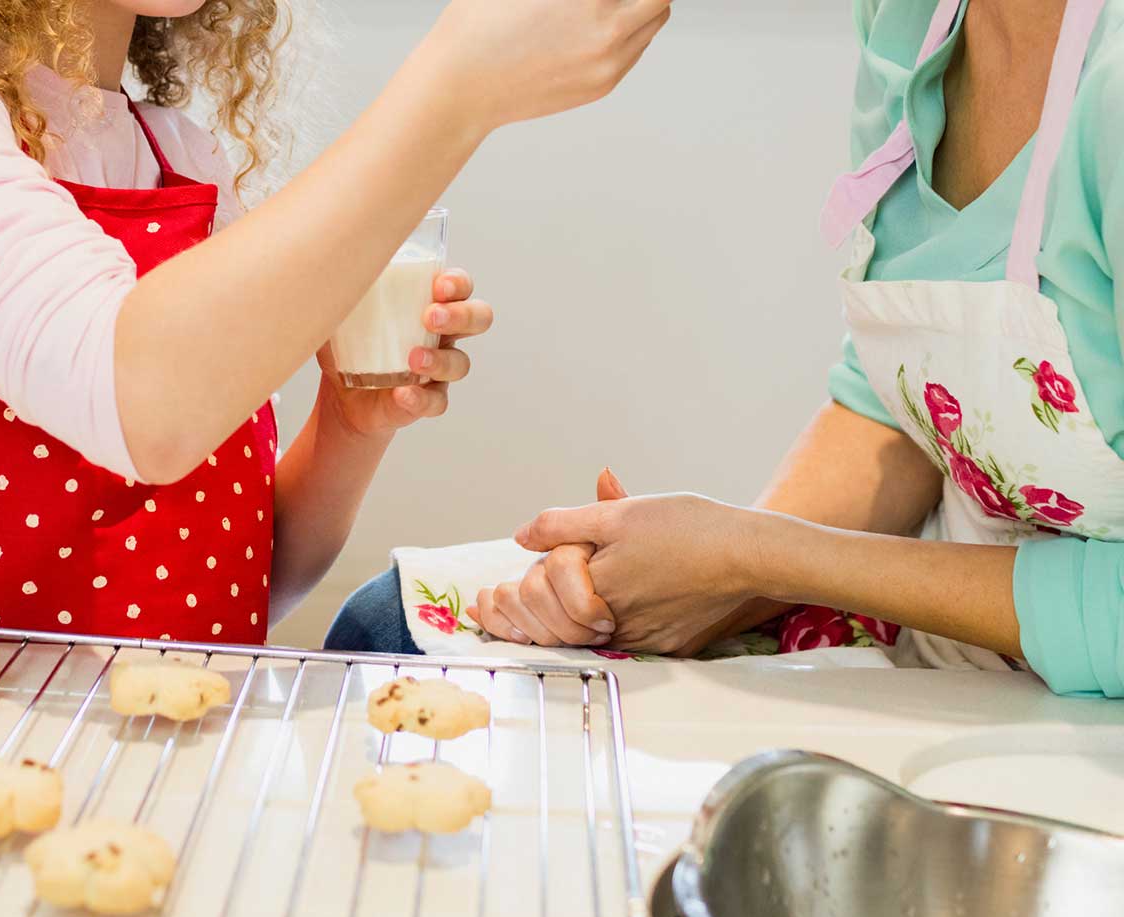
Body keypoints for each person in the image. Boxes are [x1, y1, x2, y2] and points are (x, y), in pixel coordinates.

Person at [0, 0, 671, 642]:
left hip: (176, 765)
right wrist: (451, 91)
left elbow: (246, 573)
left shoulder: (183, 160)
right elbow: (140, 403)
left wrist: (345, 427)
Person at [338, 0, 1124, 698]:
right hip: (946, 646)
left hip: (1088, 698)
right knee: (387, 627)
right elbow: (909, 410)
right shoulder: (911, 23)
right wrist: (701, 585)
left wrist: (752, 559)